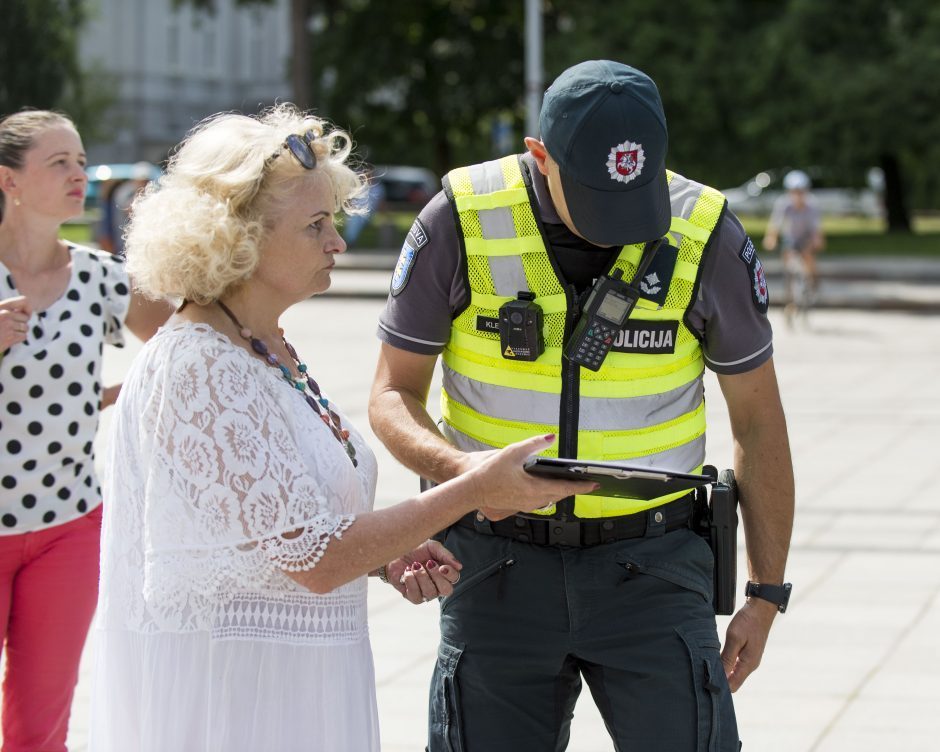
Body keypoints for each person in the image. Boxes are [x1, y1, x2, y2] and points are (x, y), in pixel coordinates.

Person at [86, 104, 593, 752]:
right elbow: (317, 560)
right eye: (317, 225)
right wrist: (473, 486)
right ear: (237, 237)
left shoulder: (259, 346)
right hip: (237, 701)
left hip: (288, 684)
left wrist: (385, 556)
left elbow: (279, 531)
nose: (338, 242)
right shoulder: (200, 364)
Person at [369, 60, 795, 751]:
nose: (617, 227)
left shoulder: (707, 229)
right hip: (496, 570)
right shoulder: (460, 218)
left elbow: (758, 421)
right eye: (597, 199)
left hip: (655, 571)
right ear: (541, 157)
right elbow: (392, 394)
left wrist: (765, 593)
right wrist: (464, 475)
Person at [0, 109, 171, 751]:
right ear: (8, 181)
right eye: (58, 163)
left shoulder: (100, 276)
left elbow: (188, 338)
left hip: (67, 526)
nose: (79, 175)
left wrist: (124, 394)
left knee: (41, 728)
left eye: (79, 160)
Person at [763, 169, 825, 320]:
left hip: (806, 237)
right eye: (794, 191)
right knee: (787, 261)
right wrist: (771, 238)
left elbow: (816, 230)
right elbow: (775, 225)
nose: (797, 195)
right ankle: (790, 297)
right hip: (790, 239)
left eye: (800, 191)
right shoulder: (783, 204)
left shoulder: (812, 205)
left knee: (808, 254)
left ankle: (813, 280)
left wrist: (817, 240)